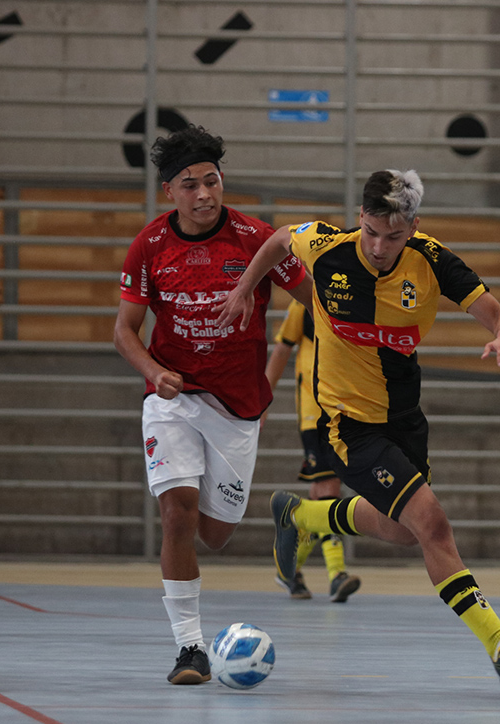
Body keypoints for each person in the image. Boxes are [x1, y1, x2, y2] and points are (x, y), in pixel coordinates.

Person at [217, 169, 500, 684]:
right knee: (433, 524)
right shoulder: (327, 247)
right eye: (371, 231)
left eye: (393, 236)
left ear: (413, 227)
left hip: (404, 418)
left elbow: (497, 314)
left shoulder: (433, 261)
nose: (378, 246)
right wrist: (245, 287)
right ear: (360, 220)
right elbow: (278, 238)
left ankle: (303, 516)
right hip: (350, 423)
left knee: (402, 531)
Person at [114, 125, 312, 685]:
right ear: (168, 192)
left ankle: (289, 515)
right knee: (175, 512)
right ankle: (190, 649)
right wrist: (155, 373)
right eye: (189, 185)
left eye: (211, 181)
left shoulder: (258, 239)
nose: (203, 194)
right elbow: (124, 331)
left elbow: (319, 300)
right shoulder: (149, 247)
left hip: (237, 406)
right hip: (172, 396)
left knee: (216, 533)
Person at [264, 299, 363, 602]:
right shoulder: (303, 302)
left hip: (344, 408)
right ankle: (336, 574)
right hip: (314, 411)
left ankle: (289, 570)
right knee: (329, 486)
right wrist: (262, 400)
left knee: (320, 496)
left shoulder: (354, 297)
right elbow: (282, 348)